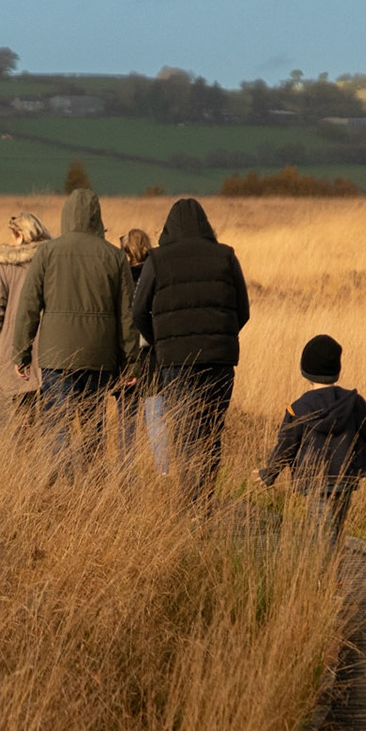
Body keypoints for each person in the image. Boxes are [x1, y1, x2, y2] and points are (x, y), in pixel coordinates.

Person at [10, 188, 139, 482]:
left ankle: (62, 483)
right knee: (93, 424)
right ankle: (92, 487)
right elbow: (126, 316)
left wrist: (22, 352)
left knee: (57, 422)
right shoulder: (114, 257)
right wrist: (131, 362)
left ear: (66, 215)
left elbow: (29, 306)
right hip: (100, 357)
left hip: (56, 355)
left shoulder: (46, 253)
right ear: (97, 217)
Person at [132, 198, 250, 504]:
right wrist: (222, 336)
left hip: (176, 361)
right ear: (205, 225)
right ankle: (205, 499)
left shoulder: (157, 260)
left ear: (168, 228)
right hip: (219, 361)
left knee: (185, 430)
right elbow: (244, 310)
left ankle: (189, 501)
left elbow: (138, 311)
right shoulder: (225, 256)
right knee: (212, 431)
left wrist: (160, 341)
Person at [257, 335, 366, 549]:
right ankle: (333, 578)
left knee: (322, 530)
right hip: (344, 477)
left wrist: (269, 473)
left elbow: (287, 445)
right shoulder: (352, 401)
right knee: (335, 529)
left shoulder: (297, 408)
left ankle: (324, 578)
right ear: (337, 369)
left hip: (313, 480)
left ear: (305, 370)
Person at [0, 211, 50, 415]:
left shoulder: (7, 266)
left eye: (15, 235)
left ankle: (26, 448)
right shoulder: (51, 261)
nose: (11, 240)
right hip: (49, 345)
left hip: (14, 345)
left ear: (24, 235)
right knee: (53, 417)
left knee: (23, 416)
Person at [118, 228, 166, 474]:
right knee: (155, 415)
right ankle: (163, 470)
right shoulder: (157, 274)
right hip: (152, 354)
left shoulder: (121, 276)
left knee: (126, 416)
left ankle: (126, 470)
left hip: (127, 354)